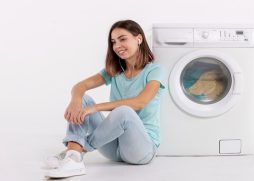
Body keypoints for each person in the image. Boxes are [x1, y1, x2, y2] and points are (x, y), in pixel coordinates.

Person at [44, 20, 165, 178]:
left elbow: (140, 102)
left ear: (139, 39)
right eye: (113, 42)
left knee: (124, 112)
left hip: (141, 150)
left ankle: (75, 150)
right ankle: (73, 157)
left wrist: (95, 108)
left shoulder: (155, 71)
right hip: (113, 148)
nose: (117, 46)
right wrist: (75, 102)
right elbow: (80, 86)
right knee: (83, 99)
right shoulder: (115, 70)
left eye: (123, 39)